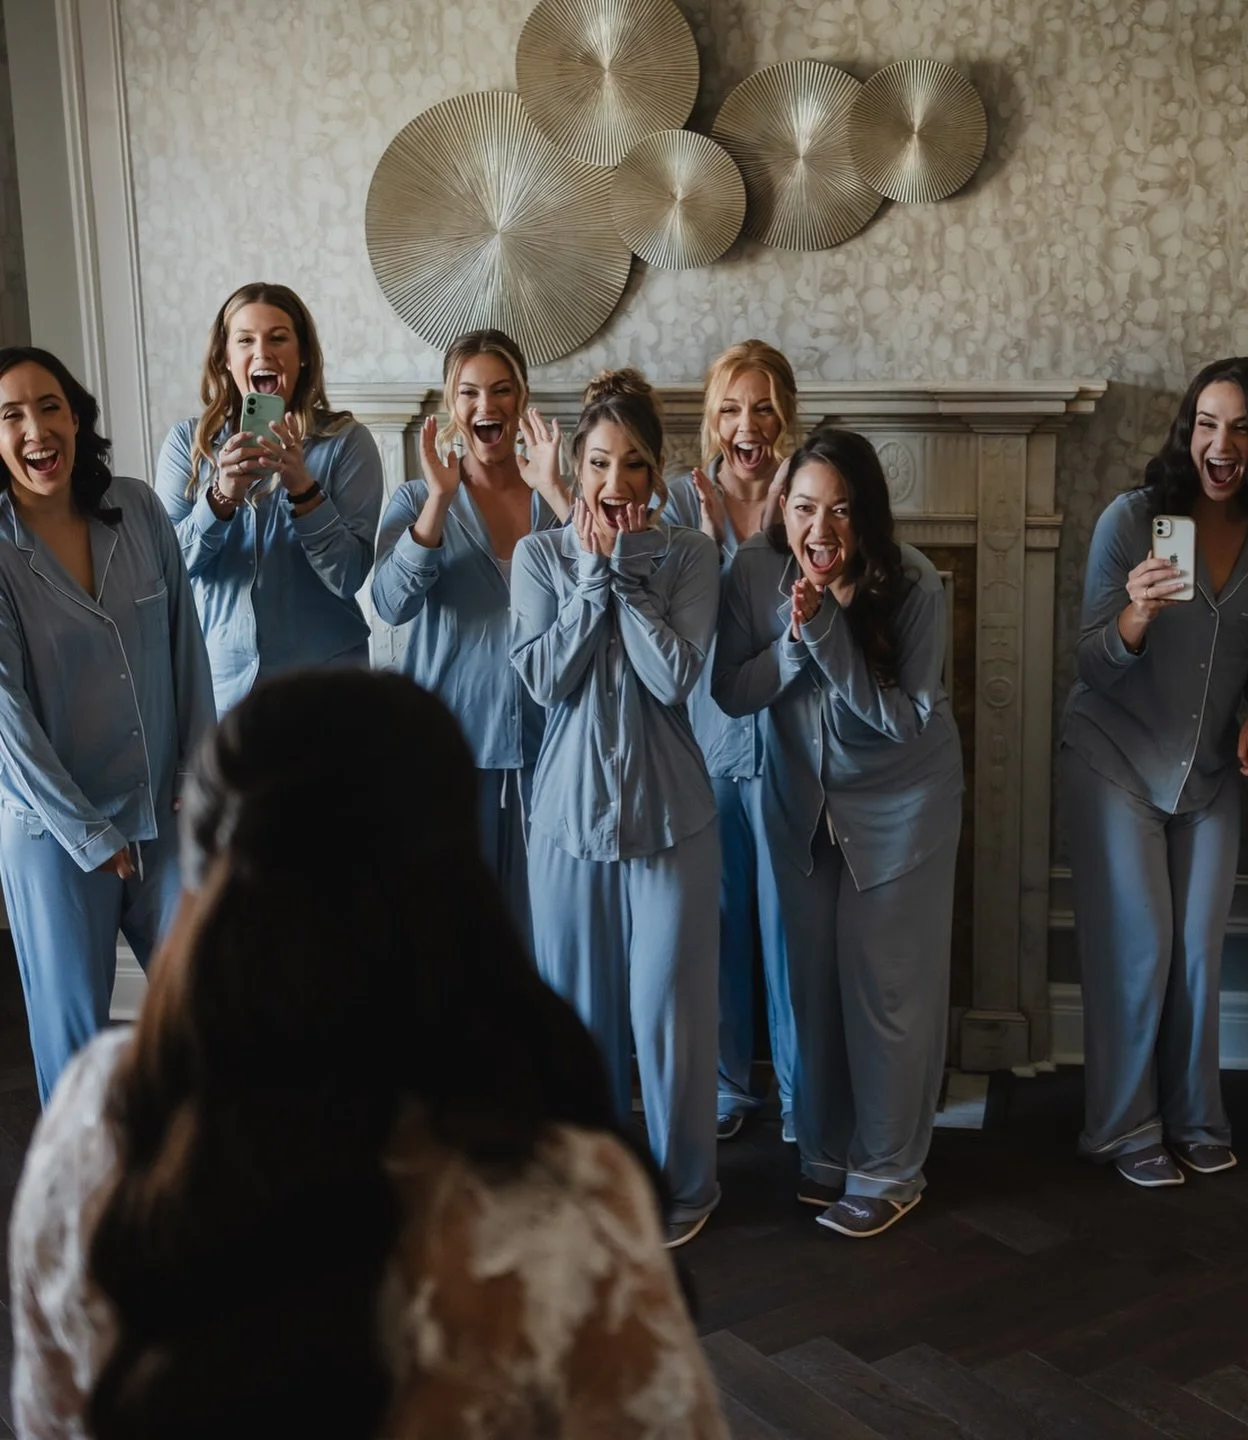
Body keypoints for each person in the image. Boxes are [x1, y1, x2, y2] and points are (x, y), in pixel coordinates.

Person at [8, 670, 728, 1439]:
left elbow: (51, 1419)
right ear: (456, 881)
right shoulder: (564, 1200)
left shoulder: (93, 1129)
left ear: (209, 877)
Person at [1061, 356, 1248, 1188]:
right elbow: (1092, 666)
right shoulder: (1132, 522)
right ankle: (1126, 1128)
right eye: (1207, 423)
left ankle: (1196, 1118)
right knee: (1140, 949)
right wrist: (1134, 615)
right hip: (1116, 759)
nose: (1221, 441)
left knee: (1200, 955)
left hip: (1206, 772)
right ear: (1188, 432)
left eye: (1240, 426)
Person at [713, 426, 964, 1239]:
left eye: (843, 511)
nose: (821, 531)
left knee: (887, 994)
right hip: (798, 810)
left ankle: (891, 1170)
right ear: (782, 508)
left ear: (868, 517)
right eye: (806, 508)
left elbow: (901, 723)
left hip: (902, 814)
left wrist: (826, 636)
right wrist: (792, 645)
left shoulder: (915, 584)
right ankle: (825, 1155)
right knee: (809, 991)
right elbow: (730, 693)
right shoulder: (753, 575)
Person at [510, 369, 721, 1249]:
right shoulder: (538, 558)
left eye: (634, 465)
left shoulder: (691, 556)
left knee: (667, 1017)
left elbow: (675, 676)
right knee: (578, 1017)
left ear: (657, 471)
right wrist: (591, 575)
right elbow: (543, 678)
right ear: (581, 466)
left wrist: (628, 580)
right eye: (600, 463)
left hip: (670, 817)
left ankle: (685, 1188)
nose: (615, 483)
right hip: (566, 821)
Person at [0, 346, 214, 1104]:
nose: (35, 428)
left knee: (207, 1017)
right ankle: (85, 1209)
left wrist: (198, 771)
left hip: (164, 816)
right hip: (58, 841)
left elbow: (187, 644)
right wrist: (87, 834)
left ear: (76, 416)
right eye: (10, 415)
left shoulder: (140, 508)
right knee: (74, 1049)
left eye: (48, 406)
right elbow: (6, 720)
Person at [370, 328, 569, 936]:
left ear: (522, 399)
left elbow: (606, 588)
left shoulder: (556, 500)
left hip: (550, 747)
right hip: (452, 749)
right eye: (470, 393)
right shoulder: (415, 498)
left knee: (546, 933)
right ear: (451, 407)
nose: (487, 406)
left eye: (502, 390)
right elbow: (389, 604)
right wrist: (437, 501)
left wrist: (559, 492)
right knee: (456, 934)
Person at [663, 339, 800, 1143]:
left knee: (790, 928)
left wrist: (772, 532)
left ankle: (798, 1089)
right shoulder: (684, 503)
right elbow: (683, 622)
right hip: (707, 744)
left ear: (784, 410)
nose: (747, 424)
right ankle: (724, 1089)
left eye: (761, 405)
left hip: (789, 746)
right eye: (730, 408)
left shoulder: (809, 494)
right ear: (712, 422)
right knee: (716, 927)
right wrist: (724, 550)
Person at [154, 282, 383, 714]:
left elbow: (349, 575)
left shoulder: (347, 444)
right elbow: (168, 573)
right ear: (225, 357)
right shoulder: (188, 445)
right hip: (220, 690)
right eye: (245, 340)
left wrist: (303, 487)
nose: (262, 353)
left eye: (278, 337)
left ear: (303, 355)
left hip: (326, 689)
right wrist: (221, 498)